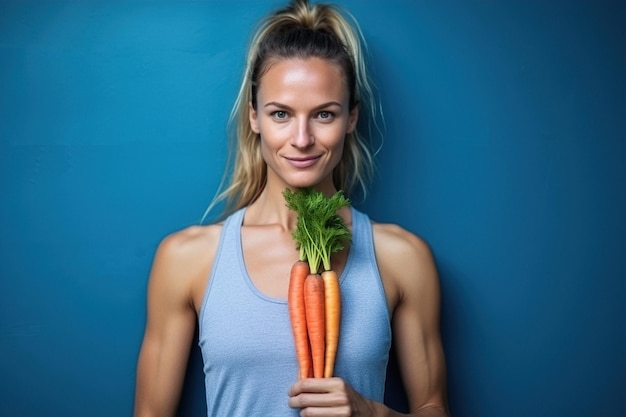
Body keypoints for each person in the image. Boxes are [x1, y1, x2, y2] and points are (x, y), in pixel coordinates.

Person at [134, 0, 449, 416]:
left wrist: (373, 413)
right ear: (254, 117)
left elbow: (434, 407)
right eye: (281, 113)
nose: (302, 139)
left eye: (324, 114)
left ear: (351, 118)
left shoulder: (402, 258)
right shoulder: (187, 259)